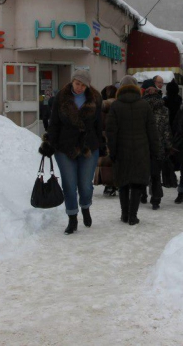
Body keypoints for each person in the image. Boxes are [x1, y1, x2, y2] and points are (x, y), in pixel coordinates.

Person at [39, 70, 103, 235]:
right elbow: (54, 123)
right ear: (72, 81)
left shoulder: (95, 98)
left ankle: (85, 207)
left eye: (83, 84)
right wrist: (48, 143)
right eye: (77, 83)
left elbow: (99, 125)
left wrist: (101, 144)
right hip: (65, 147)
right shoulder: (61, 97)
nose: (80, 87)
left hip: (88, 147)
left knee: (85, 185)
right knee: (69, 184)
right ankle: (72, 218)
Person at [105, 75, 158, 225]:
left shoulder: (115, 106)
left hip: (122, 150)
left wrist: (113, 151)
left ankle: (124, 215)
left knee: (123, 182)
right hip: (142, 150)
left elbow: (111, 131)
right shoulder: (144, 105)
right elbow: (152, 131)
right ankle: (133, 216)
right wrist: (155, 151)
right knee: (136, 183)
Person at [141, 78, 172, 210]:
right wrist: (168, 145)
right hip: (158, 145)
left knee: (142, 171)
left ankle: (142, 194)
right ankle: (156, 199)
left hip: (142, 144)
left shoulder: (140, 107)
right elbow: (166, 129)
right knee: (155, 173)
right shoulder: (164, 108)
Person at [98, 85, 118, 197]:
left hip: (104, 136)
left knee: (106, 162)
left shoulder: (103, 105)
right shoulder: (119, 104)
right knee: (117, 161)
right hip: (117, 136)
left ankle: (108, 185)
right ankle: (117, 183)